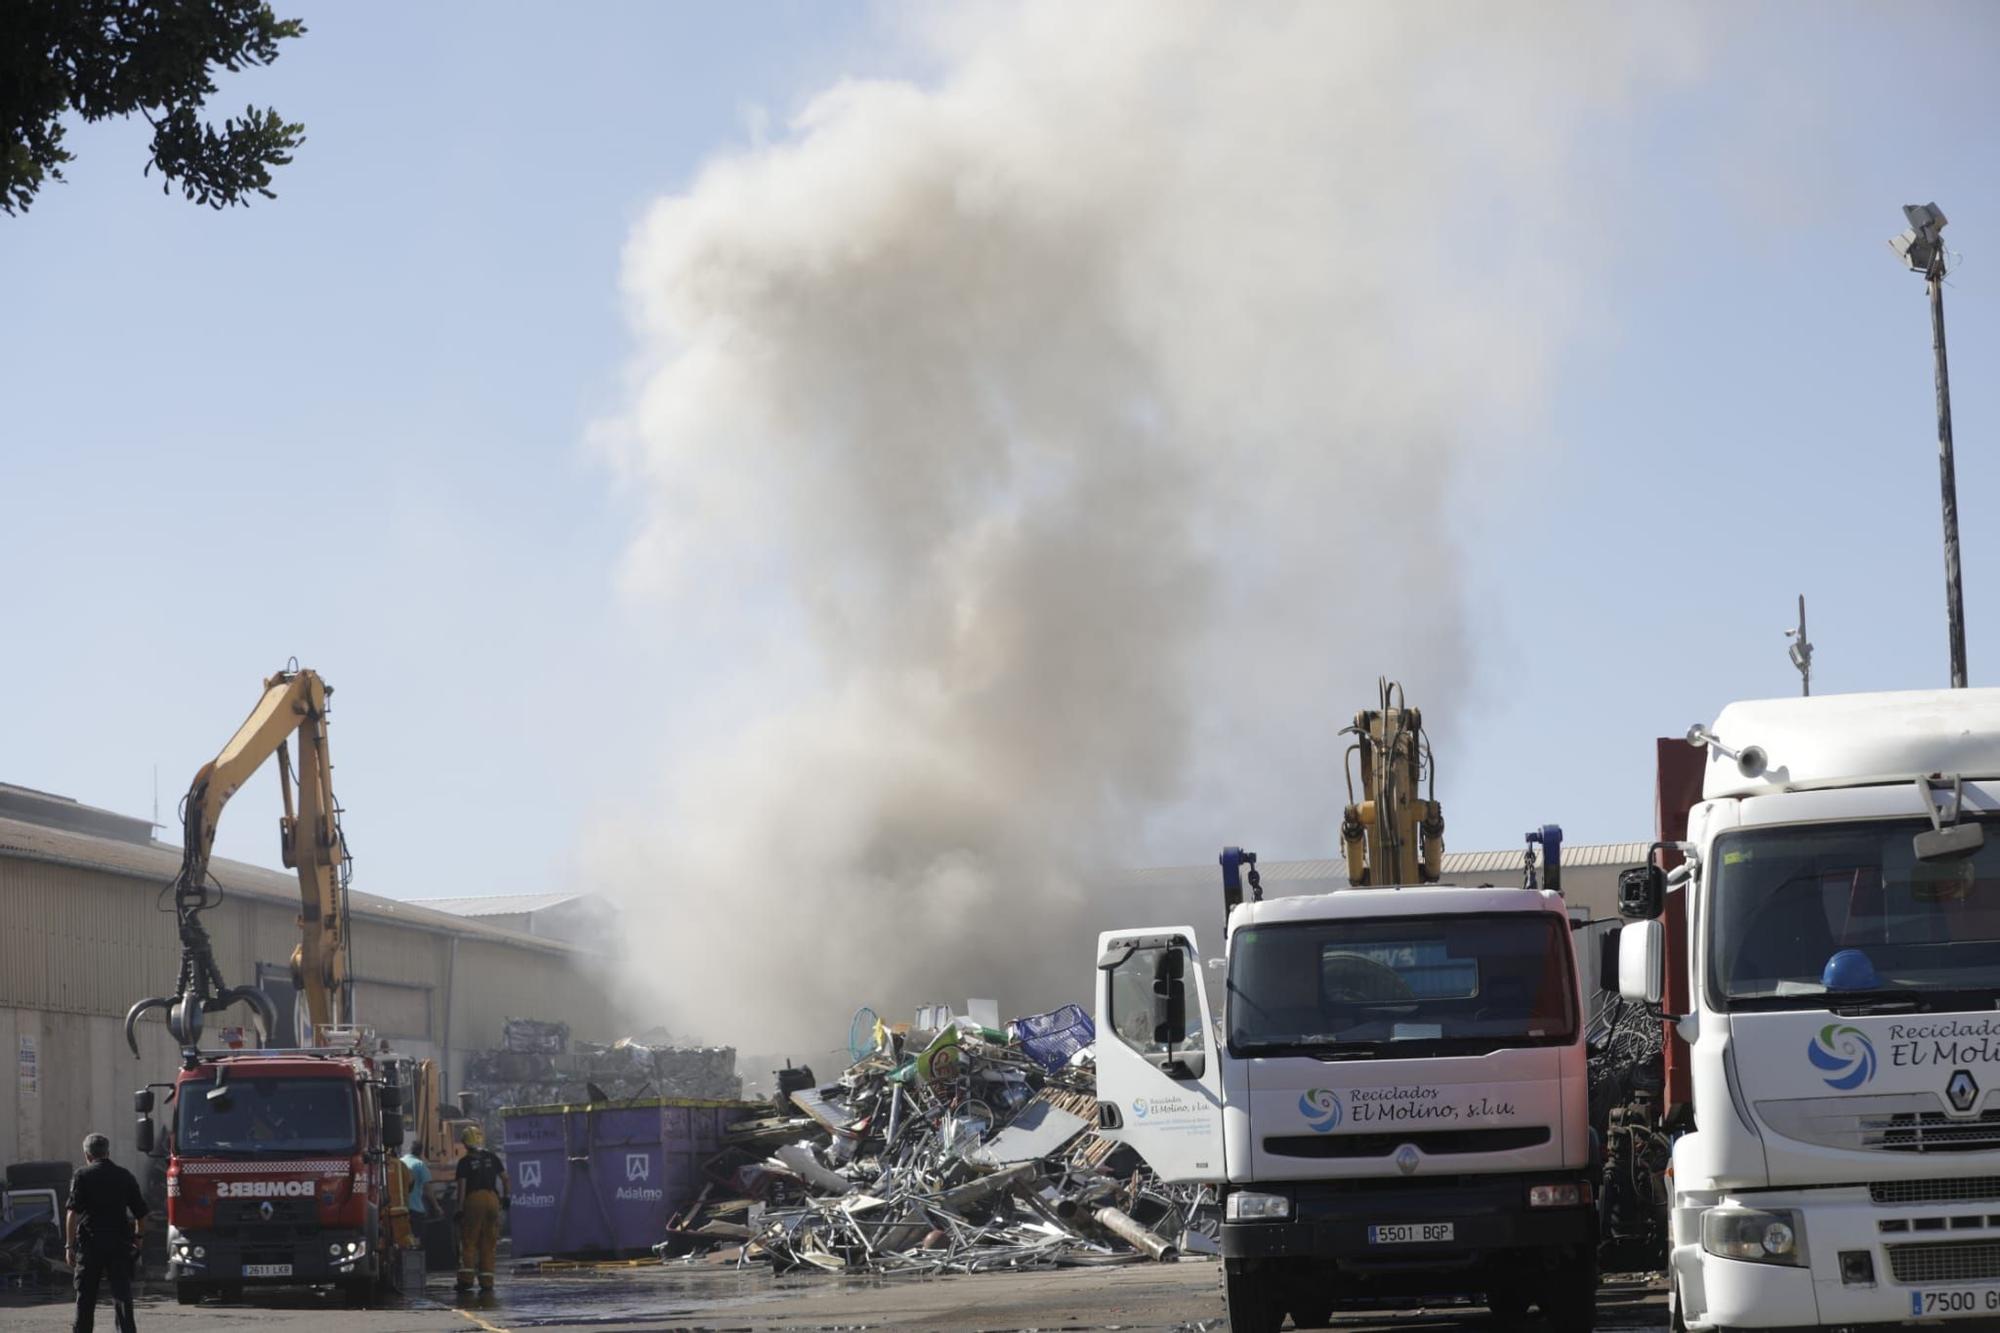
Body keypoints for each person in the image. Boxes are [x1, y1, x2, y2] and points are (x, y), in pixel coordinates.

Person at [65, 1133, 146, 1333]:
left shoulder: (81, 1175)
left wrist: (69, 1245)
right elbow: (141, 1214)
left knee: (85, 1298)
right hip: (119, 1244)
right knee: (122, 1297)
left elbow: (71, 1214)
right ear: (108, 1152)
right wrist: (138, 1239)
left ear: (87, 1155)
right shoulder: (124, 1175)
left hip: (90, 1245)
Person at [453, 1125, 509, 1294]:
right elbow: (506, 1179)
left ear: (464, 1143)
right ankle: (487, 1281)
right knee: (489, 1240)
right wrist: (506, 1198)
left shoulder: (464, 1162)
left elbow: (462, 1187)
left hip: (474, 1200)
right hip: (492, 1199)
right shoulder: (492, 1157)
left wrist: (460, 1208)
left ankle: (466, 1280)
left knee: (469, 1240)